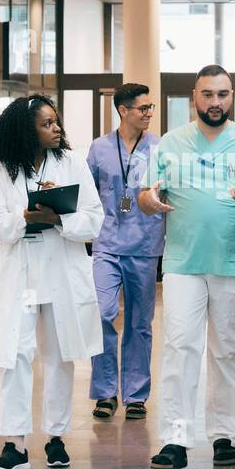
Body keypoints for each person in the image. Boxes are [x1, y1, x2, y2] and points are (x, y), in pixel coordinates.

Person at [138, 65, 235, 469]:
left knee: (228, 350)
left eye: (223, 94)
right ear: (193, 97)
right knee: (180, 347)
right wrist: (152, 201)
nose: (215, 102)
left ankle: (223, 435)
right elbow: (143, 197)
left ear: (233, 97)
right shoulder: (169, 144)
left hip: (234, 263)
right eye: (207, 94)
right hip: (182, 262)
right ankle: (176, 439)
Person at [0, 94, 104, 469]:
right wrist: (26, 216)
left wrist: (57, 219)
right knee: (15, 354)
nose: (55, 129)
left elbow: (94, 219)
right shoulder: (0, 170)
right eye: (46, 124)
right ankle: (15, 444)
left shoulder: (72, 164)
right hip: (20, 271)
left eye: (56, 122)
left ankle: (56, 439)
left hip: (58, 269)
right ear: (26, 130)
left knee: (58, 354)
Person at [85, 84, 164, 421]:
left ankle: (134, 395)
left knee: (139, 323)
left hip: (145, 246)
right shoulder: (100, 148)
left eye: (151, 107)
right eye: (142, 108)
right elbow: (86, 195)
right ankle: (105, 392)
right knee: (101, 313)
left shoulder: (160, 148)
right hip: (106, 244)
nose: (148, 113)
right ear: (123, 110)